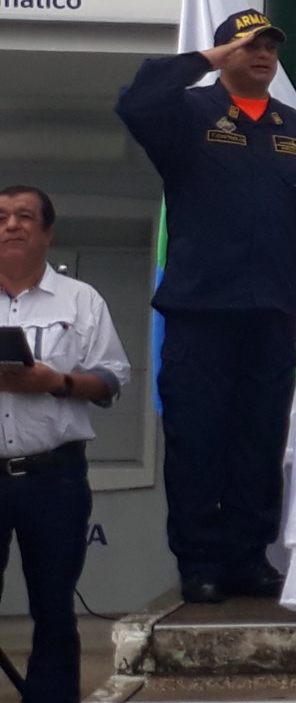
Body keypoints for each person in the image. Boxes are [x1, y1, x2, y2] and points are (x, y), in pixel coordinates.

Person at [115, 10, 296, 604]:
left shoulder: (293, 126)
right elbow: (137, 98)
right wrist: (209, 58)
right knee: (198, 439)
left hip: (272, 309)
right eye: (249, 45)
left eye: (269, 46)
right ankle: (201, 560)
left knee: (259, 439)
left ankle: (249, 556)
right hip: (203, 308)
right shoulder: (189, 113)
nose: (261, 54)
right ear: (226, 50)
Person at [0, 186, 131, 703]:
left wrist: (56, 382)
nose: (12, 225)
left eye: (25, 216)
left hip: (53, 479)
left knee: (54, 611)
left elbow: (113, 379)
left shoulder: (82, 300)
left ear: (47, 233)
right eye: (3, 216)